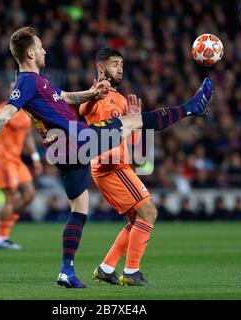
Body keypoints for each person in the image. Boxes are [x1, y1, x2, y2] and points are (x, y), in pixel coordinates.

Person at [0, 27, 213, 288]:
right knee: (133, 120)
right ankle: (192, 107)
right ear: (31, 53)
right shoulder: (26, 82)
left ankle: (66, 271)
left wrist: (91, 94)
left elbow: (65, 97)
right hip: (76, 140)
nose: (46, 50)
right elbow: (6, 113)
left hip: (63, 154)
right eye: (41, 47)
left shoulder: (41, 82)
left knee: (79, 210)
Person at [80, 48, 159, 286]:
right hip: (108, 165)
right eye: (115, 64)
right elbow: (83, 111)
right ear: (102, 68)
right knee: (149, 212)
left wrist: (134, 121)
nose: (120, 68)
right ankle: (132, 272)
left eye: (122, 64)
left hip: (119, 163)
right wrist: (91, 95)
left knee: (138, 218)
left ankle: (106, 268)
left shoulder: (123, 101)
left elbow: (131, 142)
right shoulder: (95, 96)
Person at [0, 80, 43, 250]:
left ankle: (2, 225)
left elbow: (28, 136)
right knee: (11, 198)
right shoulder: (3, 109)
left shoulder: (25, 112)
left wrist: (35, 157)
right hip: (4, 159)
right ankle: (2, 238)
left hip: (17, 160)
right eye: (13, 86)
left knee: (29, 194)